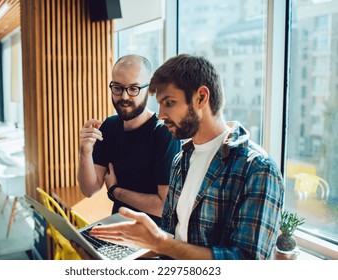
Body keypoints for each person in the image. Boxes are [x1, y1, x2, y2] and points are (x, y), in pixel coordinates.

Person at [87, 54, 285, 260]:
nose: (161, 115)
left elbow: (249, 263)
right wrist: (136, 247)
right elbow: (176, 238)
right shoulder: (181, 161)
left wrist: (160, 243)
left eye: (169, 103)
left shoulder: (257, 169)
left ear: (201, 97)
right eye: (160, 104)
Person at [78, 54, 181, 226]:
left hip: (153, 241)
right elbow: (89, 190)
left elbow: (164, 207)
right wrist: (85, 151)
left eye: (133, 89)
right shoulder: (109, 127)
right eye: (117, 88)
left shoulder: (164, 134)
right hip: (117, 228)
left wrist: (115, 191)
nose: (124, 97)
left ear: (150, 89)